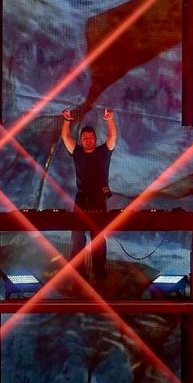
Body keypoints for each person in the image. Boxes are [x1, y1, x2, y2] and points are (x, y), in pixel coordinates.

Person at [60, 107, 117, 286]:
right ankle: (79, 276)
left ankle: (99, 275)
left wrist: (109, 120)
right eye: (84, 138)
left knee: (98, 239)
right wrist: (67, 121)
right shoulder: (77, 152)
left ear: (95, 139)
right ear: (81, 140)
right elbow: (65, 137)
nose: (87, 140)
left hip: (98, 200)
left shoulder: (103, 152)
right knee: (77, 240)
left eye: (90, 137)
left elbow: (112, 137)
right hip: (81, 200)